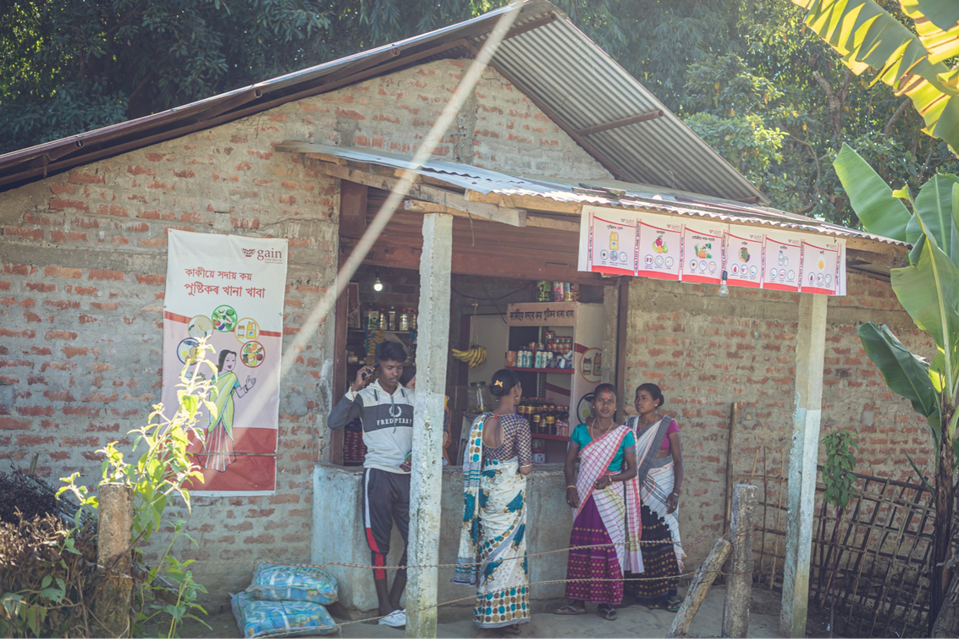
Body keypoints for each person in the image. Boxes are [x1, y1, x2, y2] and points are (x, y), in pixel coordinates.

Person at [327, 341, 414, 628]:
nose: (395, 373)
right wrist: (354, 388)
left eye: (399, 368)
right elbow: (335, 421)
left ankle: (394, 602)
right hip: (377, 475)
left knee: (416, 540)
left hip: (407, 478)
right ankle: (385, 607)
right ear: (377, 367)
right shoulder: (364, 396)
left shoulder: (411, 397)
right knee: (379, 546)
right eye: (390, 367)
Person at [455, 369, 533, 638]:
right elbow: (524, 467)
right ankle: (503, 618)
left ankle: (491, 616)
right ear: (516, 390)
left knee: (490, 557)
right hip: (509, 497)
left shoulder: (482, 421)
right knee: (509, 557)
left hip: (488, 499)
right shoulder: (519, 423)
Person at [554, 384, 643, 621]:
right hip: (583, 496)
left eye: (610, 401)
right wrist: (570, 486)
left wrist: (610, 479)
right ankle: (577, 602)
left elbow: (632, 470)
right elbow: (570, 462)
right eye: (601, 400)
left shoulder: (624, 434)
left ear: (616, 406)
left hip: (610, 498)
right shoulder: (580, 431)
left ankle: (607, 603)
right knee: (581, 548)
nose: (605, 405)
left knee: (609, 548)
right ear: (593, 403)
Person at [626, 383, 686, 612]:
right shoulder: (629, 425)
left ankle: (669, 595)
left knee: (664, 538)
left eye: (644, 398)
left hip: (662, 488)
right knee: (638, 537)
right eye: (637, 398)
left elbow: (678, 461)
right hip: (635, 488)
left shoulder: (668, 425)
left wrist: (676, 492)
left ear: (656, 402)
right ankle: (639, 594)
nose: (639, 402)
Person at [203, 349, 256, 472]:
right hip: (215, 410)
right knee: (214, 435)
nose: (231, 362)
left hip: (227, 411)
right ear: (222, 361)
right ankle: (210, 462)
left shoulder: (232, 377)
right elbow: (208, 390)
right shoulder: (215, 376)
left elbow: (240, 393)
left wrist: (247, 387)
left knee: (223, 435)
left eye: (233, 360)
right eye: (228, 360)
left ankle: (221, 464)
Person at [399, 367, 453, 466]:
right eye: (414, 385)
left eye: (422, 385)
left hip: (434, 462)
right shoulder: (398, 410)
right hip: (403, 463)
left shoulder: (439, 408)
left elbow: (446, 441)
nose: (419, 389)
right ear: (402, 388)